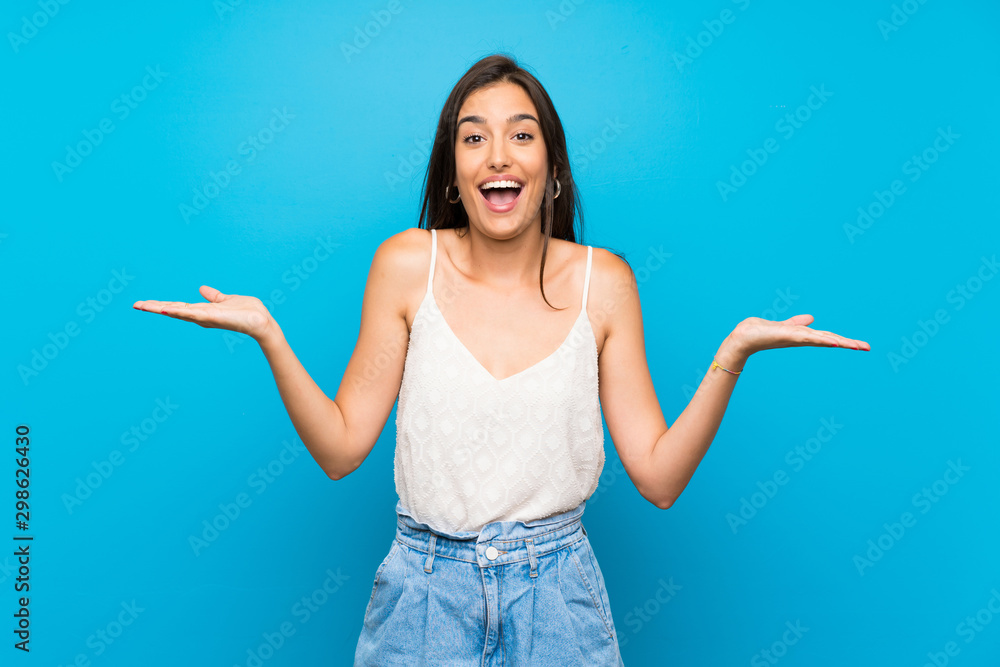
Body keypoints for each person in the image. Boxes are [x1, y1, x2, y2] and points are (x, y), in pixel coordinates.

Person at [133, 53, 869, 665]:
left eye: (521, 135)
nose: (498, 155)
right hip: (422, 597)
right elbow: (340, 447)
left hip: (559, 599)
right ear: (453, 172)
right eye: (473, 137)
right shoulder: (404, 265)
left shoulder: (603, 284)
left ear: (550, 166)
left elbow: (660, 475)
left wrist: (732, 356)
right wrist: (270, 333)